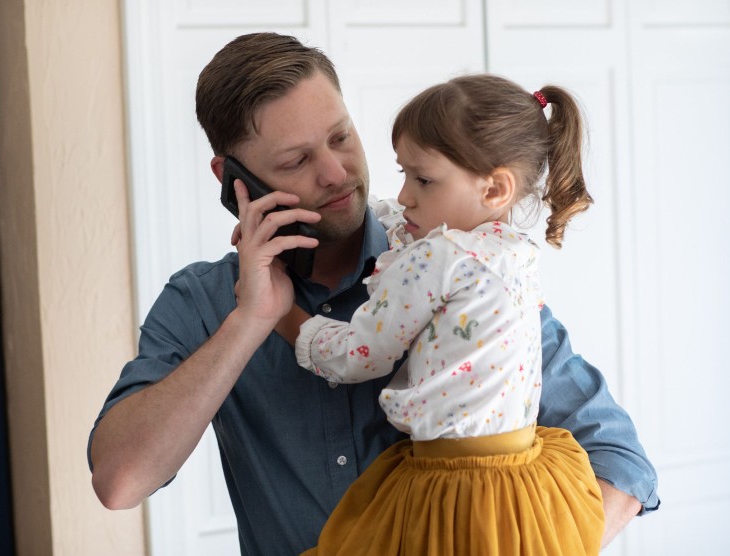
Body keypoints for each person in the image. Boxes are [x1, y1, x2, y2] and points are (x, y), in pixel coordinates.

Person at [88, 32, 659, 556]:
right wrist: (252, 319)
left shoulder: (466, 273)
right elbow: (121, 481)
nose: (336, 173)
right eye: (296, 160)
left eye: (341, 137)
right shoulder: (202, 302)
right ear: (233, 180)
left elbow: (623, 464)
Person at [273, 74, 605, 554]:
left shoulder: (441, 258)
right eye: (403, 173)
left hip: (452, 485)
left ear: (494, 189)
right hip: (520, 483)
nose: (405, 195)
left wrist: (282, 313)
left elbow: (358, 355)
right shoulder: (512, 252)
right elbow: (406, 226)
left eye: (423, 179)